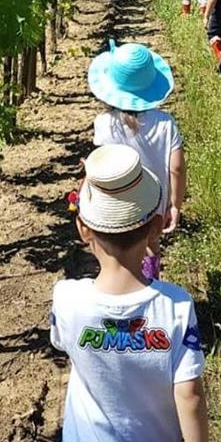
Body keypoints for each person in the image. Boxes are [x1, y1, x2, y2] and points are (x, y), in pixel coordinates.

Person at [52, 144, 211, 442]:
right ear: (154, 228)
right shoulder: (176, 307)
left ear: (83, 230)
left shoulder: (67, 300)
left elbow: (66, 344)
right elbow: (189, 394)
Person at [89, 41, 185, 280]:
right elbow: (176, 168)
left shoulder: (104, 123)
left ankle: (123, 287)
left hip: (118, 201)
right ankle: (150, 284)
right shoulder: (165, 123)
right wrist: (175, 204)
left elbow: (101, 164)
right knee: (151, 244)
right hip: (154, 203)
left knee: (117, 250)